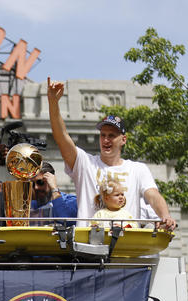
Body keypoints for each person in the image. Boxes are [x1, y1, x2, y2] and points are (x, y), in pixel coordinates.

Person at [47, 77, 176, 230]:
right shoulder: (85, 163)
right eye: (103, 135)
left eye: (112, 136)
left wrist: (165, 215)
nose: (106, 140)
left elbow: (153, 195)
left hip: (125, 248)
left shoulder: (138, 169)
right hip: (89, 248)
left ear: (123, 139)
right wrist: (53, 103)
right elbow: (61, 137)